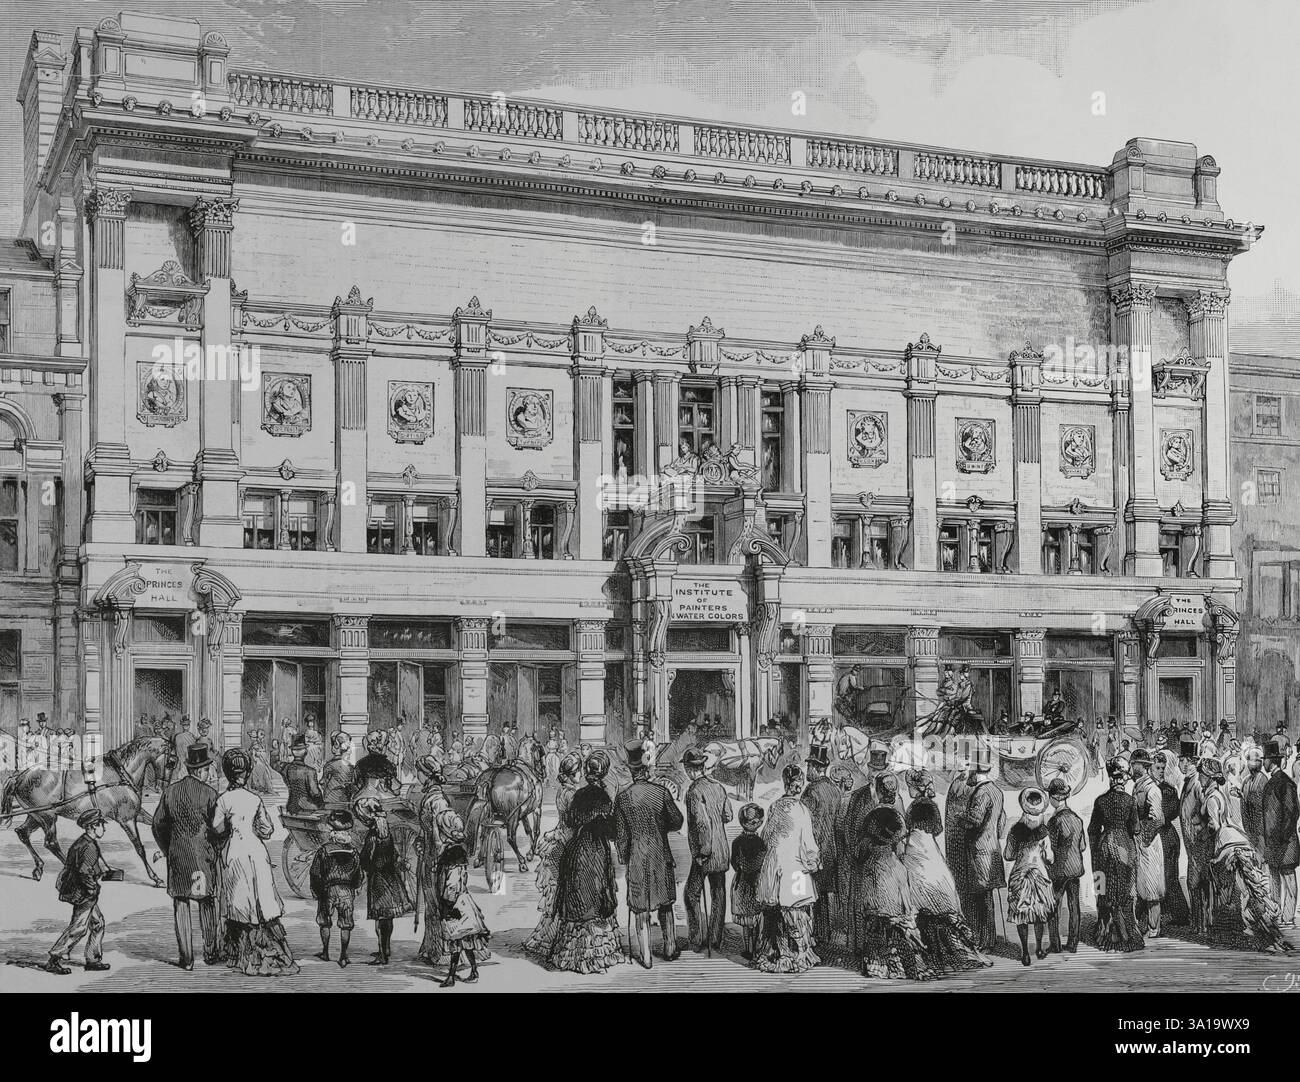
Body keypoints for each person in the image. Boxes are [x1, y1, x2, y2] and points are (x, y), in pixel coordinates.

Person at [212, 748, 298, 975]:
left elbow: (217, 829)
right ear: (247, 773)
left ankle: (241, 956)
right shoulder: (254, 799)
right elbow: (267, 829)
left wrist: (231, 826)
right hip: (256, 852)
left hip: (235, 854)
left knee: (240, 903)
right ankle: (272, 953)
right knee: (262, 902)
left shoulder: (223, 800)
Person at [1198, 758, 1293, 953]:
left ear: (1209, 777)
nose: (1199, 778)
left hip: (1226, 844)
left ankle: (1254, 933)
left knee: (1239, 891)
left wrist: (1200, 832)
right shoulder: (1220, 795)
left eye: (1202, 775)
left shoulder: (1211, 798)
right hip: (1237, 841)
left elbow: (1214, 825)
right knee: (1247, 890)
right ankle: (1265, 934)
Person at [899, 769, 989, 973]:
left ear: (916, 787)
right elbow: (938, 829)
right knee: (938, 888)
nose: (909, 790)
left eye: (910, 787)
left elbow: (905, 829)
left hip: (915, 847)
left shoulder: (915, 806)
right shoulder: (931, 805)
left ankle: (929, 951)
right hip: (930, 848)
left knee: (917, 892)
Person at [549, 750, 625, 973]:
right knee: (596, 895)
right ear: (604, 772)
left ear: (585, 771)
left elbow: (572, 820)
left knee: (578, 897)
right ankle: (597, 956)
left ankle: (571, 956)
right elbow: (612, 832)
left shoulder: (579, 795)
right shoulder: (604, 797)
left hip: (576, 851)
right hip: (595, 852)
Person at [151, 741, 222, 970]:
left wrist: (167, 849)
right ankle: (210, 953)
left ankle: (187, 958)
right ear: (201, 770)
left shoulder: (170, 792)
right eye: (207, 768)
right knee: (208, 902)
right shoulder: (210, 794)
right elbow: (218, 828)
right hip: (202, 856)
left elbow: (158, 825)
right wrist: (216, 849)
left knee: (181, 904)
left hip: (178, 857)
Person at [615, 739, 684, 967]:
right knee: (665, 904)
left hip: (637, 858)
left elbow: (621, 837)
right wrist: (660, 824)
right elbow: (677, 821)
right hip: (661, 856)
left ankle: (645, 956)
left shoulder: (623, 797)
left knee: (640, 909)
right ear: (647, 768)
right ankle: (670, 947)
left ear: (631, 770)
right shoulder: (661, 792)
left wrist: (624, 857)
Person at [854, 790, 934, 981]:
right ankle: (912, 967)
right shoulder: (897, 863)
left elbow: (858, 859)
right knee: (901, 930)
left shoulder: (870, 857)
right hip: (896, 900)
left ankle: (879, 966)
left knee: (877, 930)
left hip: (879, 904)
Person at [755, 764, 822, 974]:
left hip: (775, 865)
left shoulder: (775, 806)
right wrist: (813, 863)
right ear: (799, 784)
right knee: (796, 913)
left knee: (775, 913)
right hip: (794, 867)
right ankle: (798, 955)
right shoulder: (802, 809)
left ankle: (778, 954)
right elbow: (808, 843)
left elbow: (765, 837)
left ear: (785, 783)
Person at [42, 810, 121, 975]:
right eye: (101, 826)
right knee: (79, 928)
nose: (104, 829)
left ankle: (93, 959)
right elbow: (84, 871)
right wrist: (93, 889)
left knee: (98, 923)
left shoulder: (84, 842)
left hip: (82, 891)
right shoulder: (89, 846)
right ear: (93, 826)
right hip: (84, 893)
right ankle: (54, 959)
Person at [523, 752, 583, 960]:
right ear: (570, 774)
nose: (580, 774)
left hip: (560, 836)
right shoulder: (571, 794)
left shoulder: (562, 791)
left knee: (558, 892)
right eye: (578, 771)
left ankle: (552, 935)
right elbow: (574, 821)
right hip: (568, 839)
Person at [1089, 758, 1143, 953]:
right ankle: (1127, 933)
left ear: (1111, 779)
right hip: (1124, 847)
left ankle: (1106, 931)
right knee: (1126, 890)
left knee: (1103, 888)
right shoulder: (1130, 800)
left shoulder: (1100, 800)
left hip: (1104, 846)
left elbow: (1093, 829)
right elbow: (1136, 829)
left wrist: (1095, 853)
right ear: (1124, 780)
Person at [683, 746, 732, 953]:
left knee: (691, 894)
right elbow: (728, 815)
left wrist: (702, 853)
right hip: (721, 850)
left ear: (690, 769)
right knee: (718, 893)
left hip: (706, 853)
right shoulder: (718, 787)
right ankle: (715, 938)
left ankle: (696, 938)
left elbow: (702, 825)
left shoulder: (694, 791)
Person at [435, 810, 492, 986]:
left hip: (455, 906)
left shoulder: (451, 858)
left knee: (456, 943)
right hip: (464, 902)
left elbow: (452, 885)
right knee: (465, 942)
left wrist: (447, 906)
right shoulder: (457, 854)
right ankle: (473, 971)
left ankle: (451, 977)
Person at [356, 796, 414, 966]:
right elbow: (394, 854)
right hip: (391, 878)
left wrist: (361, 865)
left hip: (379, 881)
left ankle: (382, 955)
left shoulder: (373, 836)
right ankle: (386, 949)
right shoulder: (386, 833)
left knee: (380, 919)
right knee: (387, 919)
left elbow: (366, 859)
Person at [1004, 787, 1055, 966]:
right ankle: (1039, 948)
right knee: (1039, 913)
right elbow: (1049, 857)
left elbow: (1008, 855)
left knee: (1021, 914)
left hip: (1020, 874)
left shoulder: (1015, 830)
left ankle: (1025, 953)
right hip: (1039, 873)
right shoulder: (1043, 832)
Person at [959, 759, 1006, 951]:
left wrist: (960, 818)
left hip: (980, 852)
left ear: (977, 772)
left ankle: (985, 942)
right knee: (987, 898)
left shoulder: (981, 792)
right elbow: (1001, 822)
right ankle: (989, 938)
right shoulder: (997, 791)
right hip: (992, 848)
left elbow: (974, 820)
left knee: (982, 900)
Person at [800, 743, 843, 948]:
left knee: (811, 894)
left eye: (809, 766)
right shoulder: (834, 790)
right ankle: (824, 933)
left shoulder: (811, 792)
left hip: (814, 849)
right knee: (824, 895)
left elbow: (804, 822)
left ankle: (813, 934)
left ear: (816, 768)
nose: (806, 770)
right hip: (831, 850)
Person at [309, 809, 362, 967]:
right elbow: (358, 875)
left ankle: (325, 952)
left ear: (332, 831)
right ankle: (343, 956)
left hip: (328, 891)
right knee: (346, 924)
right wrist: (354, 887)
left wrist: (316, 890)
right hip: (346, 892)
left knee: (325, 922)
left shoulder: (324, 850)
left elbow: (315, 873)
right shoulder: (353, 852)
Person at [413, 757, 452, 966]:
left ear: (427, 774)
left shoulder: (436, 800)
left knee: (437, 903)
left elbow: (439, 833)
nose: (417, 775)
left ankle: (442, 950)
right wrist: (421, 841)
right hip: (429, 854)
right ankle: (431, 947)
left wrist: (436, 856)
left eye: (419, 771)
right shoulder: (429, 796)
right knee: (431, 904)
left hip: (437, 858)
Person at [1262, 736, 1300, 927]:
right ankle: (1277, 913)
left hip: (1285, 842)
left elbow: (1292, 813)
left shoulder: (1285, 783)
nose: (1263, 763)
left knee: (1288, 878)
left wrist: (1281, 837)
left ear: (1272, 760)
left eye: (1265, 759)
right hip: (1274, 842)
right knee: (1274, 879)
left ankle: (1288, 916)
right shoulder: (1272, 782)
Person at [1045, 777, 1086, 953]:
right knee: (1074, 906)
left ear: (1054, 797)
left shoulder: (1054, 822)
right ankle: (1073, 943)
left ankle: (1055, 945)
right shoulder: (1076, 818)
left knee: (1054, 906)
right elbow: (1083, 846)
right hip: (1075, 869)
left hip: (1059, 870)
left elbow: (1050, 850)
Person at [1129, 748, 1166, 938]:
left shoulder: (1152, 789)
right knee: (1140, 885)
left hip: (1149, 843)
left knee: (1151, 886)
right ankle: (1142, 925)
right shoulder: (1137, 786)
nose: (1130, 766)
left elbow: (1158, 819)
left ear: (1141, 766)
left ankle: (1154, 927)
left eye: (1133, 763)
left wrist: (1143, 835)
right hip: (1140, 842)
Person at [1153, 750, 1190, 927]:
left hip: (1166, 837)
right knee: (1163, 876)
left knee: (1169, 876)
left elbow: (1169, 813)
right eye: (1157, 768)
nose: (1160, 771)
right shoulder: (1159, 788)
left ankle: (1180, 914)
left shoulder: (1166, 790)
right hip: (1164, 836)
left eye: (1162, 768)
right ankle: (1169, 911)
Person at [943, 759, 977, 933]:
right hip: (953, 842)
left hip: (965, 844)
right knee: (957, 884)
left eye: (965, 768)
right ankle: (963, 924)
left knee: (968, 887)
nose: (961, 771)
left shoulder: (972, 788)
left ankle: (972, 926)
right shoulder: (954, 785)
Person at [730, 804, 767, 961]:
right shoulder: (760, 842)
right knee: (757, 920)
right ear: (757, 823)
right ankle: (757, 949)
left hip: (743, 882)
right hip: (756, 883)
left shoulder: (737, 841)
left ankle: (748, 949)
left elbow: (734, 862)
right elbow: (763, 862)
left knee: (746, 922)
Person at [278, 734, 324, 816]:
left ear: (292, 752)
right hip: (307, 807)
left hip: (291, 806)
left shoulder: (285, 768)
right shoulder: (310, 771)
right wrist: (321, 801)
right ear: (305, 752)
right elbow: (315, 792)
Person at [1240, 746, 1268, 858]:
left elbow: (1260, 804)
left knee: (1260, 856)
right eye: (1250, 760)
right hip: (1248, 826)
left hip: (1260, 827)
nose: (1251, 763)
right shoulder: (1246, 780)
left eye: (1255, 760)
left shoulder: (1263, 779)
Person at [353, 730, 399, 795]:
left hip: (364, 798)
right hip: (383, 800)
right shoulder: (387, 765)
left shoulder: (360, 764)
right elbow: (396, 790)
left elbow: (357, 785)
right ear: (382, 746)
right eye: (386, 744)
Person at [321, 731, 356, 805]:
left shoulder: (329, 765)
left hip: (331, 799)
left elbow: (323, 782)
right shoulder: (350, 766)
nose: (350, 751)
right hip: (344, 799)